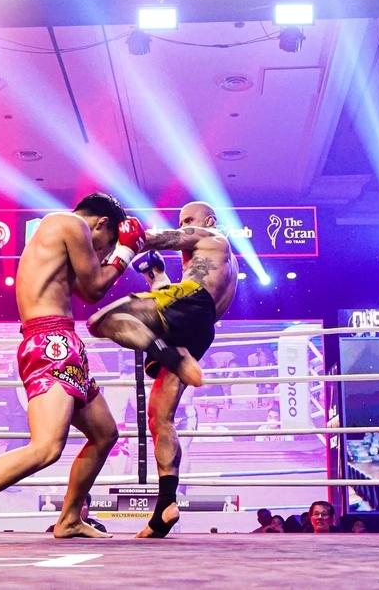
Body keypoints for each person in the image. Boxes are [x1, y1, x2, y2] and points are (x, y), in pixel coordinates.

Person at [0, 193, 139, 543]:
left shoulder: (57, 234)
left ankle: (69, 519)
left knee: (105, 434)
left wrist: (131, 246)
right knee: (46, 447)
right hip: (50, 342)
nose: (102, 252)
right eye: (106, 243)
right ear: (102, 223)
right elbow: (94, 289)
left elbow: (82, 289)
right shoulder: (70, 223)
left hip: (62, 340)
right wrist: (126, 251)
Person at [88, 201, 238, 538]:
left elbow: (160, 239)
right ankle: (165, 507)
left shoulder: (212, 237)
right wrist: (156, 277)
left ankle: (173, 358)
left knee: (100, 321)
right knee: (159, 417)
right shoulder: (215, 264)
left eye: (189, 220)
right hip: (198, 326)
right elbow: (182, 305)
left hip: (192, 304)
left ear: (209, 221)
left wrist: (115, 238)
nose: (185, 225)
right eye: (181, 220)